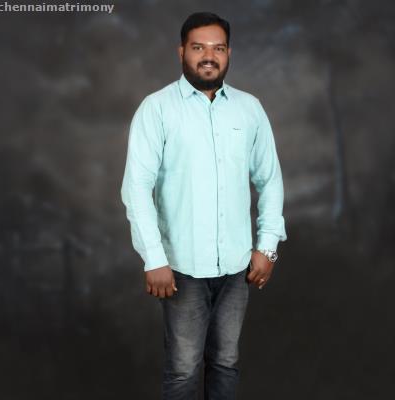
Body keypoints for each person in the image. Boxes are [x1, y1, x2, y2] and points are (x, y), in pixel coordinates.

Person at [121, 11, 287, 400]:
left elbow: (270, 179)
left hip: (237, 268)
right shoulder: (157, 109)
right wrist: (153, 259)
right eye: (198, 47)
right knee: (183, 370)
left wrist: (267, 248)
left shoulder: (249, 109)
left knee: (226, 362)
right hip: (182, 269)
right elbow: (136, 188)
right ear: (182, 52)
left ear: (228, 53)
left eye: (218, 48)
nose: (209, 56)